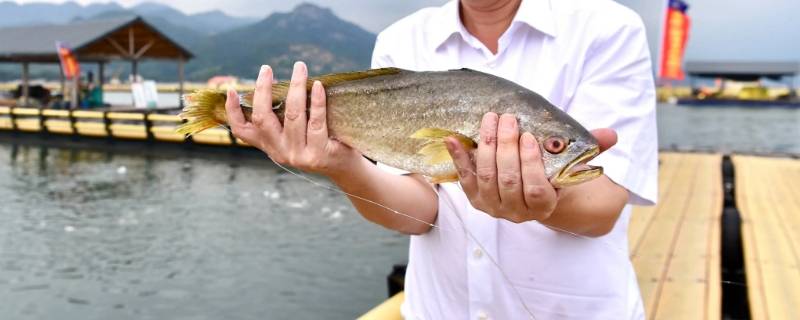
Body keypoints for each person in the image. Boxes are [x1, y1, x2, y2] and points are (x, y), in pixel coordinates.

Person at [224, 0, 657, 318]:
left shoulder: (607, 27)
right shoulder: (401, 39)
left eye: (555, 146)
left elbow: (602, 208)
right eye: (557, 145)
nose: (558, 150)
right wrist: (341, 165)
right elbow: (419, 210)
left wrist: (546, 203)